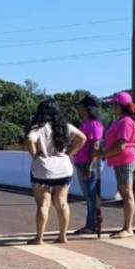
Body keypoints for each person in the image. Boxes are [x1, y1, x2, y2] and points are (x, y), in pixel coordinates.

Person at [25, 99, 87, 245]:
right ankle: (62, 236)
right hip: (63, 168)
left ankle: (39, 238)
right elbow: (82, 138)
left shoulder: (38, 128)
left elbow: (29, 140)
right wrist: (69, 154)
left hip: (43, 169)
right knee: (62, 203)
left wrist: (35, 156)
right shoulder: (65, 126)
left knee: (43, 204)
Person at [94, 91, 135, 239]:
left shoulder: (126, 122)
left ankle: (128, 228)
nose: (111, 107)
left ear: (120, 106)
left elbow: (121, 144)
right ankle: (126, 227)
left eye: (113, 104)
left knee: (126, 193)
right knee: (125, 192)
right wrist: (102, 146)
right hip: (119, 160)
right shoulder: (120, 121)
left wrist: (102, 155)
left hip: (124, 159)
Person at [73, 95, 105, 234]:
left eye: (81, 106)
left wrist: (89, 166)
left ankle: (92, 225)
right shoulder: (86, 123)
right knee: (88, 196)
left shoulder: (93, 124)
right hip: (82, 163)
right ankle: (90, 223)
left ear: (88, 108)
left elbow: (95, 145)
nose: (79, 109)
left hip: (88, 164)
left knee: (91, 196)